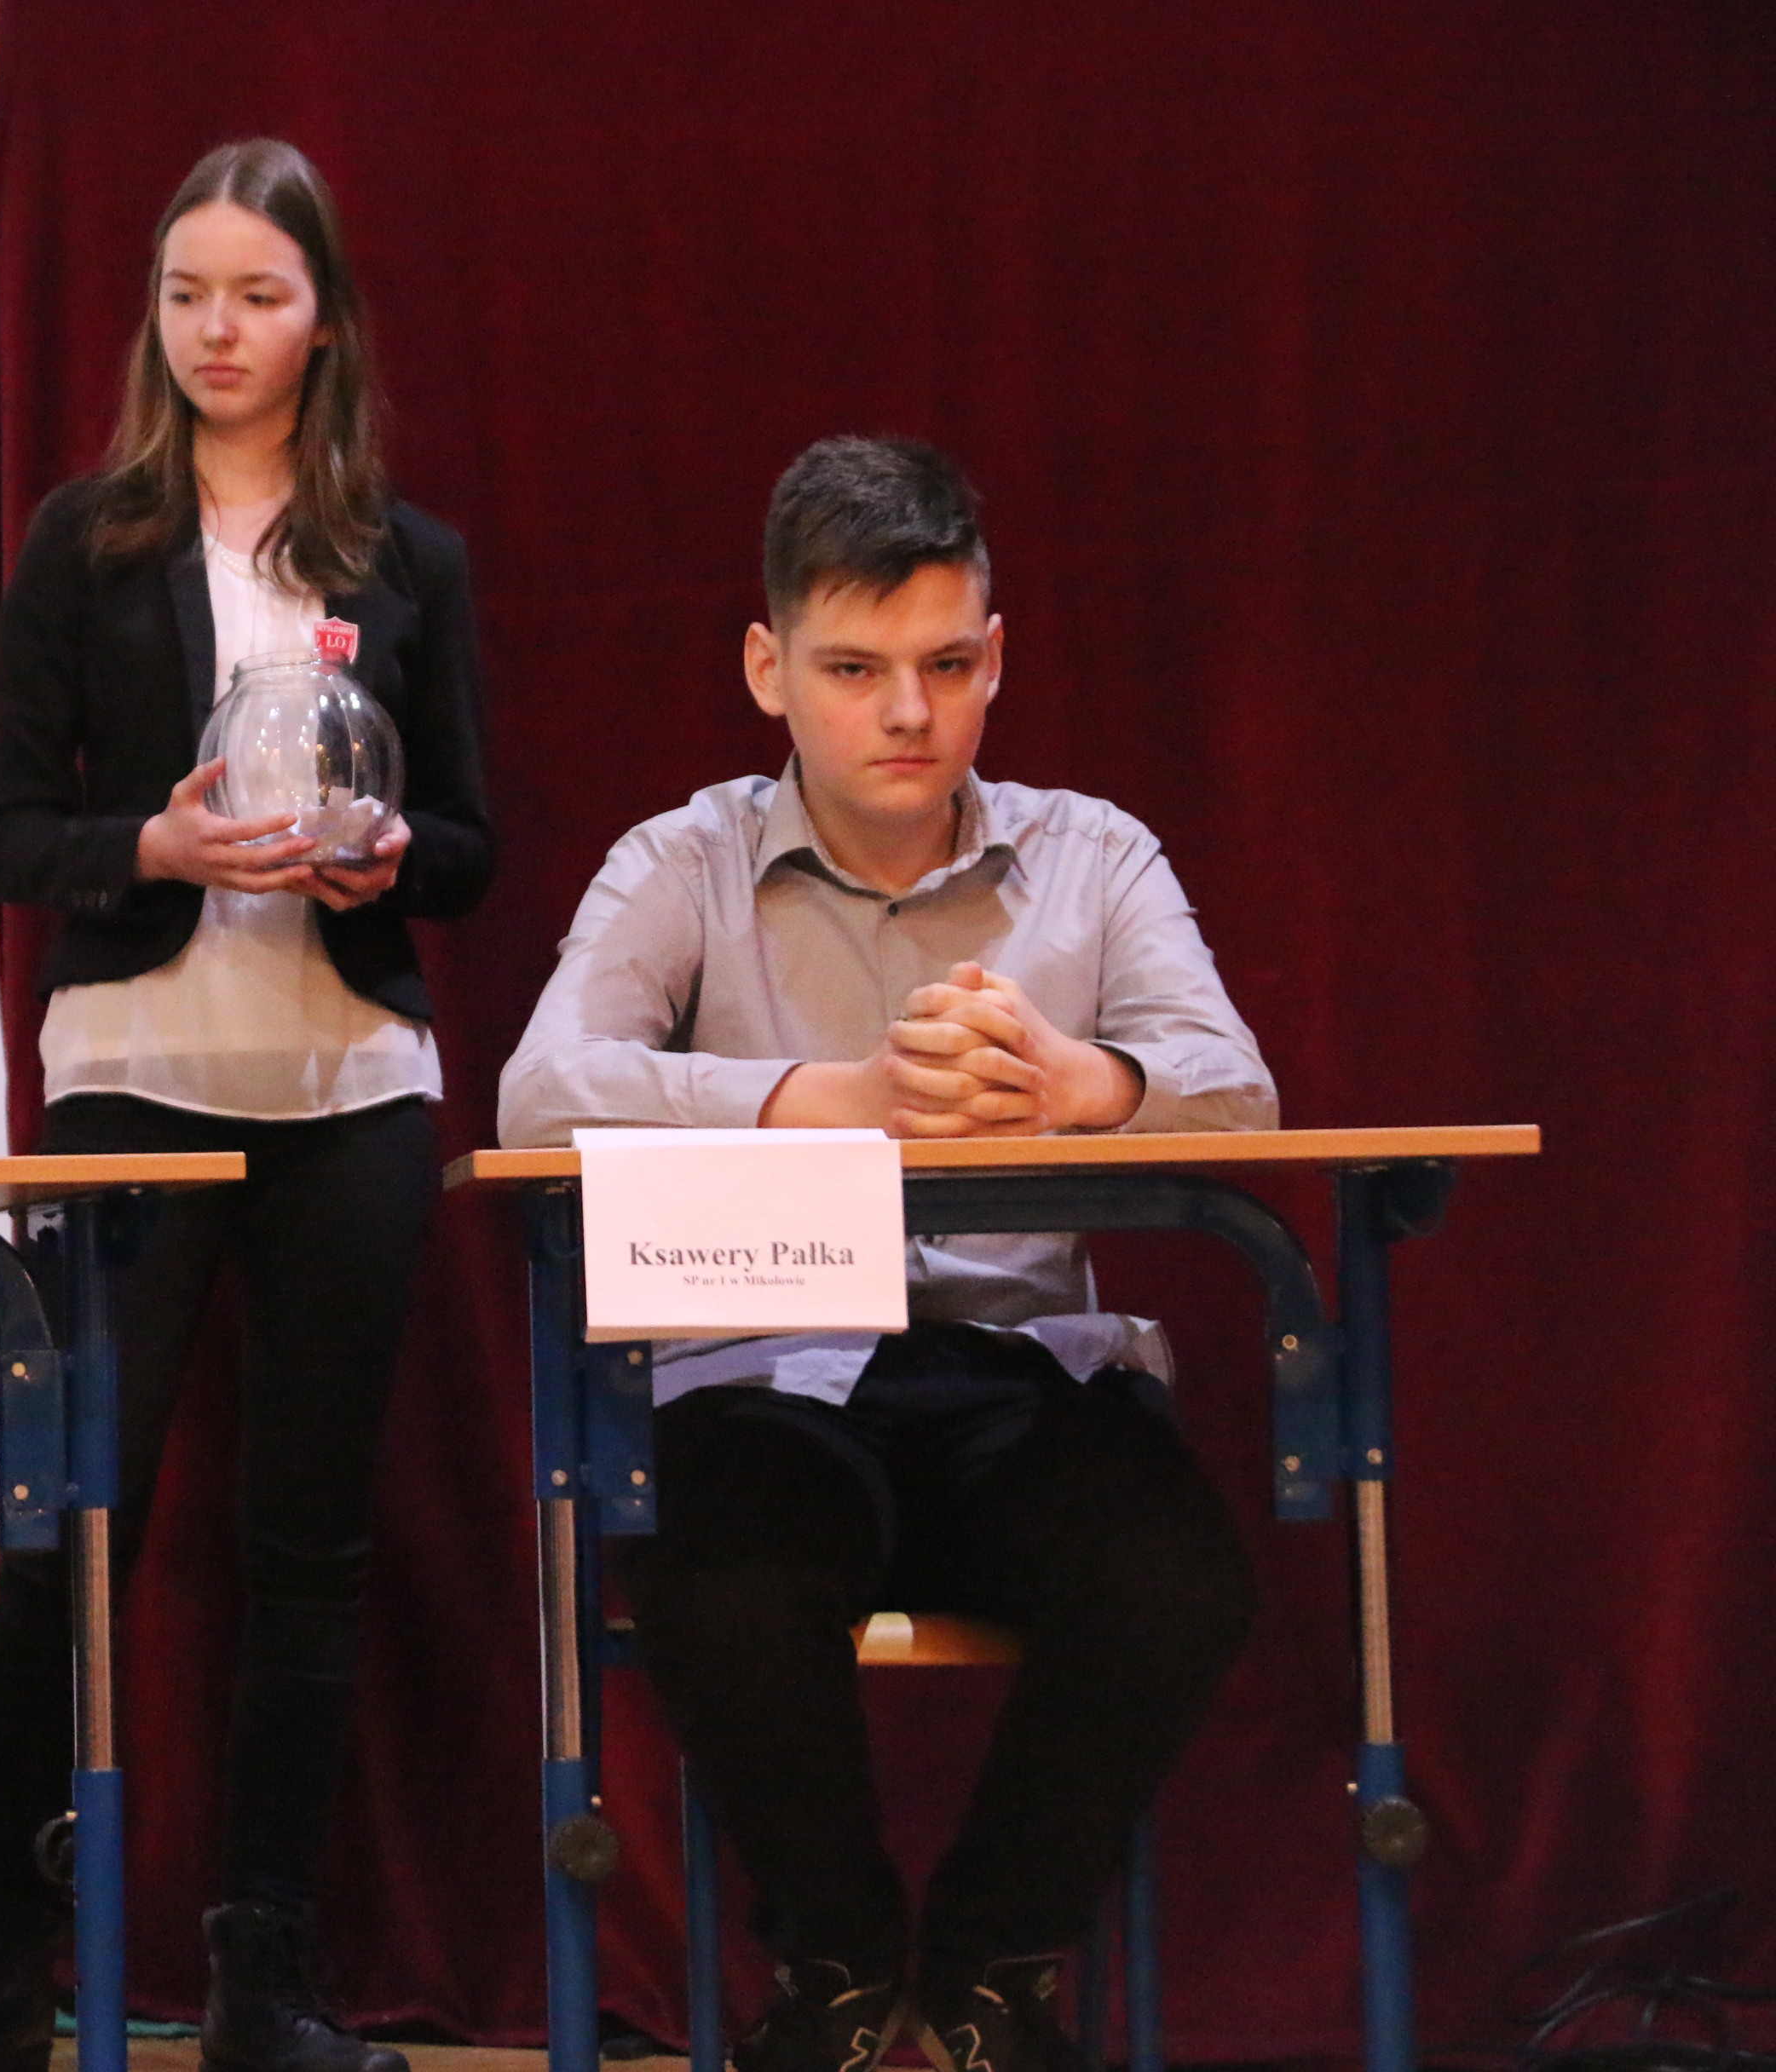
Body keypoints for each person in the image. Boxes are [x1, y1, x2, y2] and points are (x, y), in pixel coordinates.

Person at [499, 437, 1272, 2072]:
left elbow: (1239, 1087)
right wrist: (823, 1100)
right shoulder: (682, 859)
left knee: (1177, 1578)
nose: (907, 714)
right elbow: (541, 1091)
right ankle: (841, 1975)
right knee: (720, 1571)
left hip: (1017, 1377)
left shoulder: (1095, 854)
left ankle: (990, 1968)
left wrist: (1084, 1085)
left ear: (996, 658)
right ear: (768, 669)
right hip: (764, 1370)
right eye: (854, 670)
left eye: (945, 666)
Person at [0, 139, 491, 2072]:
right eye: (186, 294)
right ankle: (3, 1965)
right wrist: (149, 845)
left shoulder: (408, 557)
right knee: (71, 1517)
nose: (217, 330)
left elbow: (472, 839)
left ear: (325, 318)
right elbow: (16, 831)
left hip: (354, 1084)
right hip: (135, 1079)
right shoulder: (85, 538)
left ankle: (266, 1976)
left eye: (257, 294)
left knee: (309, 1545)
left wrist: (388, 853)